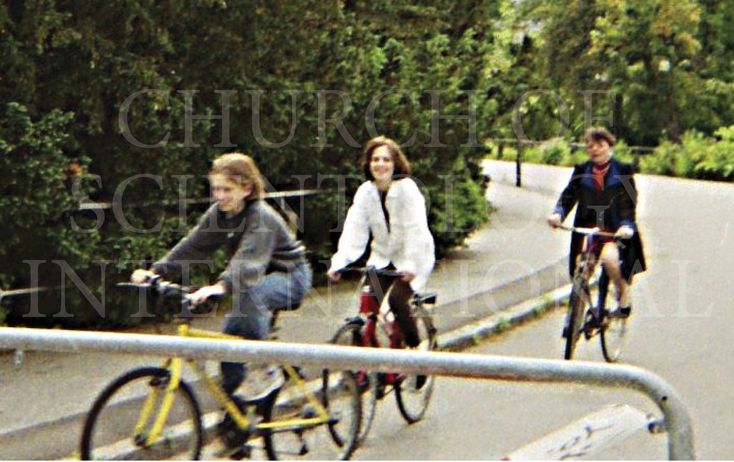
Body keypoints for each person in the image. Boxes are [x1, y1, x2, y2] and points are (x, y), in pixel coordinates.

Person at [131, 153, 312, 396]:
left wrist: (220, 286)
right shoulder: (220, 214)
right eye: (216, 189)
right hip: (253, 280)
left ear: (246, 188)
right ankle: (236, 409)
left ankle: (263, 368)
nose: (220, 196)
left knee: (252, 294)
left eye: (227, 189)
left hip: (290, 277)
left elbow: (247, 262)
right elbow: (194, 245)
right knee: (228, 343)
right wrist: (155, 272)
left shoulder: (261, 217)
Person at [327, 136, 435, 348]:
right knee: (369, 305)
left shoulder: (408, 189)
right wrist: (340, 262)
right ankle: (370, 368)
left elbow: (416, 229)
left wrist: (411, 266)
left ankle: (417, 349)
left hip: (413, 257)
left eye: (386, 159)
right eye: (375, 159)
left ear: (395, 164)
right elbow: (354, 229)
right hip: (383, 259)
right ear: (368, 164)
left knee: (396, 301)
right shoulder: (366, 192)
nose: (380, 164)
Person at [547, 127, 646, 322]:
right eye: (590, 146)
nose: (595, 150)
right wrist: (558, 214)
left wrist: (626, 225)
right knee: (582, 266)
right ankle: (577, 313)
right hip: (589, 230)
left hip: (614, 231)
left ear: (609, 146)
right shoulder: (582, 170)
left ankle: (622, 294)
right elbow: (568, 196)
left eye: (600, 145)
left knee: (610, 259)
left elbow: (628, 201)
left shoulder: (623, 170)